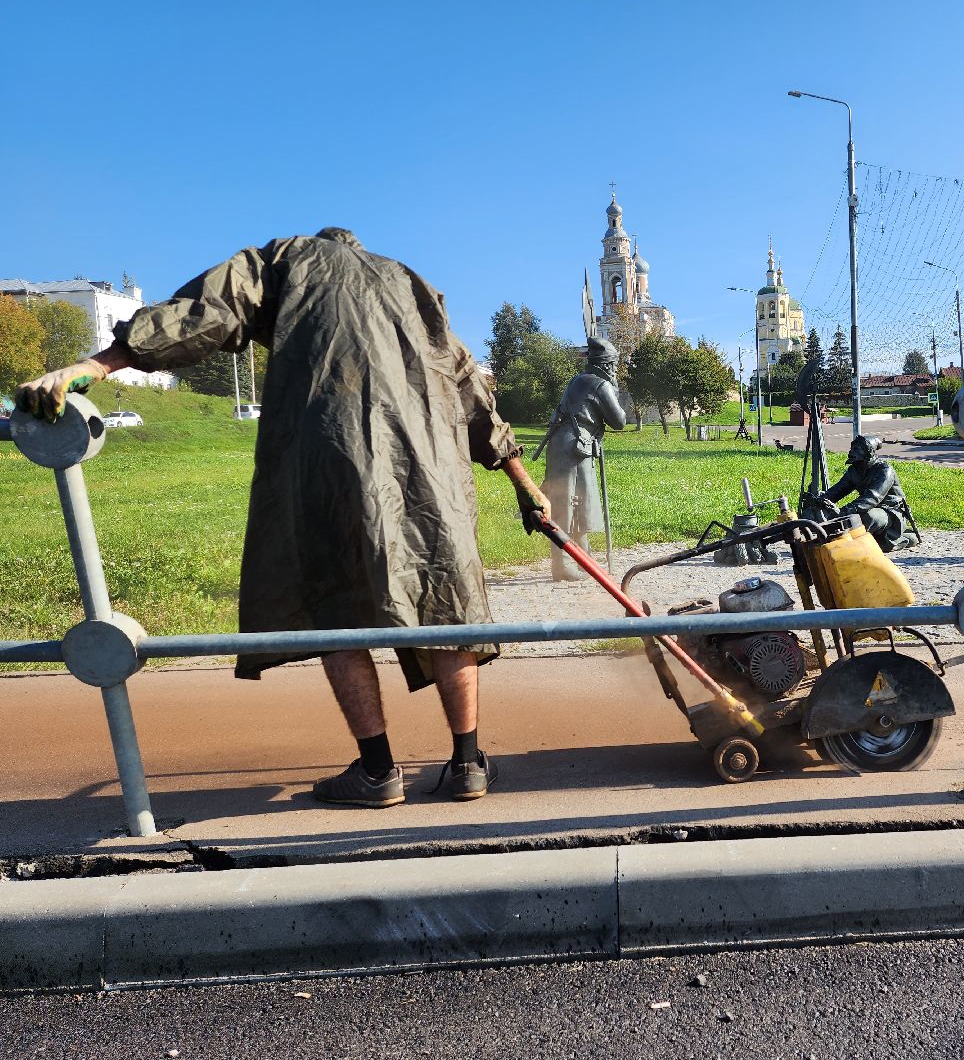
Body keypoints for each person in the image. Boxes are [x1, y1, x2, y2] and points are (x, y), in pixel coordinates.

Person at [16, 228, 551, 808]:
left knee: (334, 604)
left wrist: (94, 366)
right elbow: (467, 382)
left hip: (325, 451)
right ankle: (469, 763)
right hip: (428, 461)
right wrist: (525, 485)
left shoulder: (286, 258)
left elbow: (207, 310)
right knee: (442, 597)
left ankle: (377, 773)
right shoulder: (409, 281)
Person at [537, 335, 627, 581]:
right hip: (574, 448)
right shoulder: (600, 384)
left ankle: (583, 556)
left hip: (567, 444)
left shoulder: (579, 380)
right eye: (614, 365)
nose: (616, 369)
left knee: (579, 503)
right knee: (566, 505)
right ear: (607, 365)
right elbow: (619, 421)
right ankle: (562, 565)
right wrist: (614, 386)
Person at [816, 435, 918, 553]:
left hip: (890, 511)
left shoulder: (885, 470)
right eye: (852, 448)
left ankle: (859, 543)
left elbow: (872, 497)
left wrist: (843, 511)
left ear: (868, 452)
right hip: (867, 507)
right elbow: (838, 490)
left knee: (868, 516)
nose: (851, 452)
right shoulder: (854, 471)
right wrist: (822, 500)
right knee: (822, 511)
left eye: (857, 449)